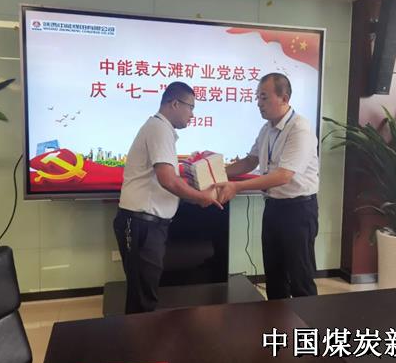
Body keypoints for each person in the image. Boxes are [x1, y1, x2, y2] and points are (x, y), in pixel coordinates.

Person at [114, 82, 222, 314]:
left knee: (143, 291)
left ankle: (139, 334)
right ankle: (139, 336)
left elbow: (167, 177)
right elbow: (168, 179)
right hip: (142, 224)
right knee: (143, 297)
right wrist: (200, 197)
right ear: (174, 104)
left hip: (146, 225)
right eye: (190, 107)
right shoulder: (159, 129)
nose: (192, 115)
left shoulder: (160, 128)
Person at [216, 72, 320, 299]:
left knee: (300, 277)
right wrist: (216, 174)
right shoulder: (267, 129)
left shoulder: (299, 129)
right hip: (274, 207)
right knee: (274, 274)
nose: (258, 103)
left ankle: (308, 322)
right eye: (257, 97)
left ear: (284, 98)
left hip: (298, 210)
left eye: (264, 97)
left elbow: (283, 175)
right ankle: (278, 320)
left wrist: (236, 187)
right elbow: (249, 162)